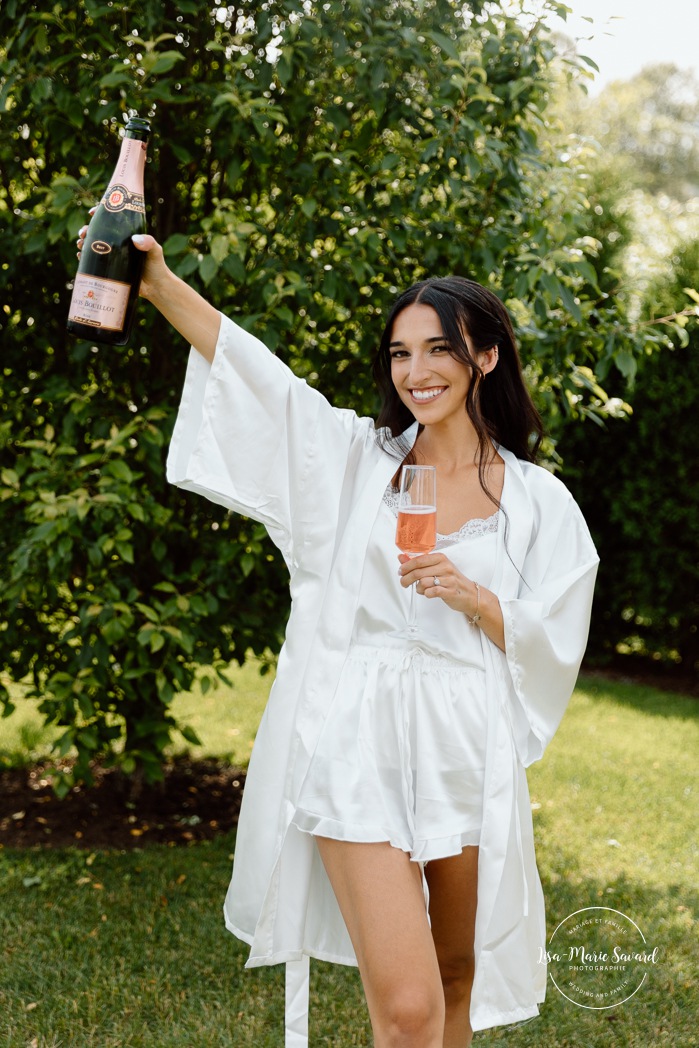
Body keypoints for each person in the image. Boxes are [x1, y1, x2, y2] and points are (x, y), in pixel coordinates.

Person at [76, 224, 599, 1047]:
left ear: (486, 357)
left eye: (437, 350)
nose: (415, 372)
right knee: (408, 1009)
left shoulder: (536, 501)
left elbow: (556, 635)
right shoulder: (360, 463)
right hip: (355, 737)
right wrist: (159, 286)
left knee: (456, 979)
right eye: (399, 354)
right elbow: (264, 385)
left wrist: (472, 596)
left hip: (467, 745)